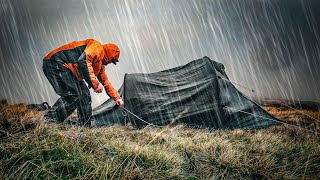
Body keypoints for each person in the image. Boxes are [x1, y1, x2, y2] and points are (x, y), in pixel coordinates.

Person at [42, 39, 124, 127]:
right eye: (112, 60)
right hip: (56, 63)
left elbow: (106, 82)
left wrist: (117, 98)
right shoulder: (97, 47)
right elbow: (84, 60)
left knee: (78, 96)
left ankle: (50, 122)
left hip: (60, 67)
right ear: (109, 54)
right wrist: (95, 84)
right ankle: (51, 121)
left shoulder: (99, 65)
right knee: (78, 95)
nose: (109, 63)